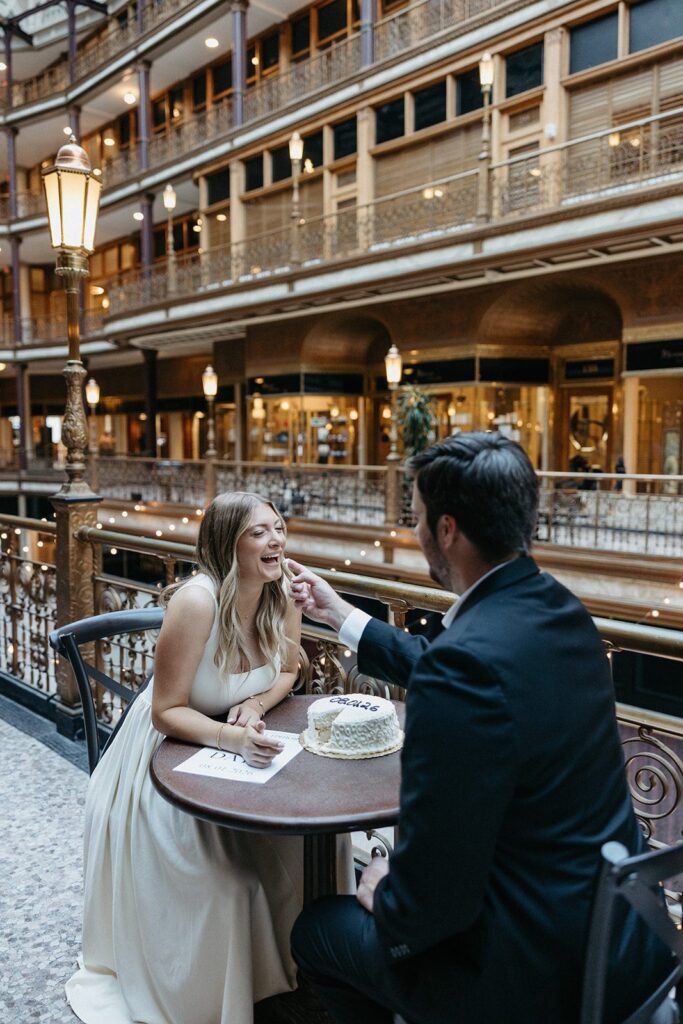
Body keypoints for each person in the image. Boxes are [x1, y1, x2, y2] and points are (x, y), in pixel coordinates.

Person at [287, 433, 671, 1024]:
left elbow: (434, 898)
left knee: (318, 930)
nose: (415, 531)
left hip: (531, 979)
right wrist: (341, 615)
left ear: (446, 530)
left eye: (416, 517)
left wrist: (386, 891)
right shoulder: (564, 613)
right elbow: (465, 669)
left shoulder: (463, 670)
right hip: (624, 938)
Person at [66, 492, 305, 1024]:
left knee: (304, 845)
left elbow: (289, 672)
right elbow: (165, 711)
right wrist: (230, 738)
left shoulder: (283, 590)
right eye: (259, 532)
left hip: (236, 749)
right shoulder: (196, 603)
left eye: (278, 528)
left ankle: (295, 964)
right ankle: (208, 995)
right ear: (227, 544)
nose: (276, 541)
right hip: (165, 758)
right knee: (227, 885)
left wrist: (255, 704)